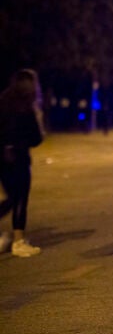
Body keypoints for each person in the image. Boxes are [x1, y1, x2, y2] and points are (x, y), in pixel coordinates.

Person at [0, 69, 46, 257]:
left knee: (11, 198)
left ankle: (15, 239)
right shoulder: (27, 108)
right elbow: (35, 138)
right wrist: (39, 120)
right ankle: (19, 241)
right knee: (20, 199)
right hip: (20, 157)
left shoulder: (2, 101)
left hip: (1, 157)